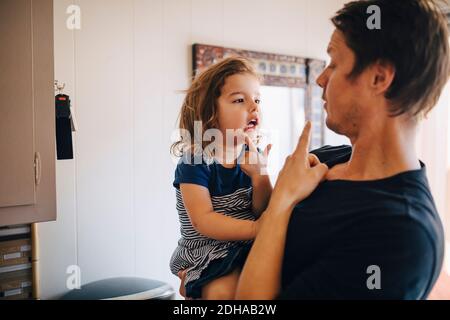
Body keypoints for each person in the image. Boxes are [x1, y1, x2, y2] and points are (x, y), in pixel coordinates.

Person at [181, 0, 449, 300]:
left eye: (333, 63)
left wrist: (282, 200)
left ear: (379, 78)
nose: (321, 78)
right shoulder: (321, 159)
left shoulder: (400, 236)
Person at [169, 57, 272, 299]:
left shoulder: (252, 156)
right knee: (223, 290)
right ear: (211, 113)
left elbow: (262, 209)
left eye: (257, 99)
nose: (254, 107)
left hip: (244, 243)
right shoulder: (195, 160)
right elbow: (203, 220)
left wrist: (261, 177)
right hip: (207, 247)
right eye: (240, 100)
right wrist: (257, 229)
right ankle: (196, 282)